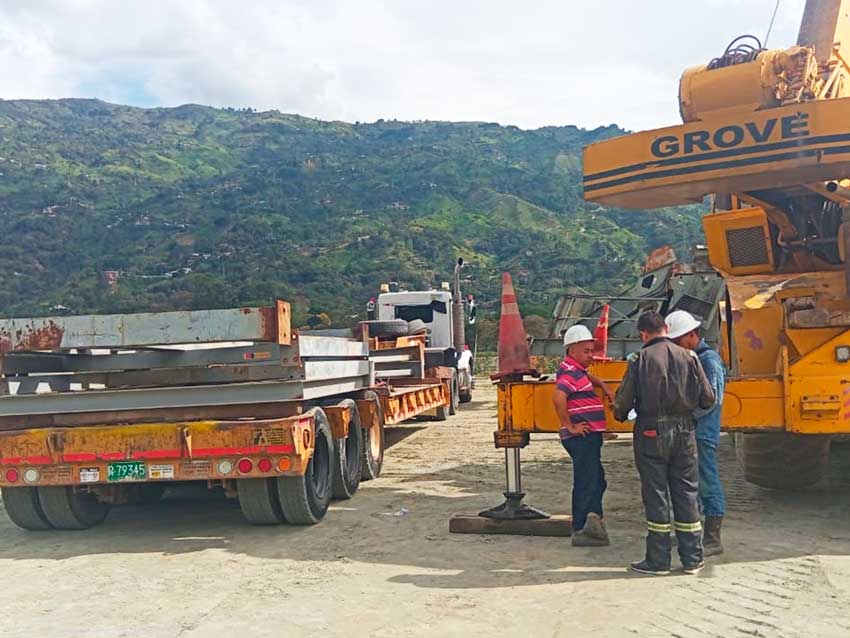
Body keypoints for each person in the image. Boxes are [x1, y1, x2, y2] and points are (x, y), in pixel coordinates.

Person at [613, 311, 715, 575]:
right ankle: (693, 559)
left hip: (651, 432)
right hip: (685, 432)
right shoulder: (690, 356)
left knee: (656, 494)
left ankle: (658, 561)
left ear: (643, 334)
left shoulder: (639, 359)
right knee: (687, 491)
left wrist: (620, 413)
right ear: (666, 329)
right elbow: (708, 399)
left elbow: (622, 404)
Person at [666, 310, 726, 556]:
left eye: (678, 339)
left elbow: (712, 399)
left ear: (692, 335)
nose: (675, 345)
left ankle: (713, 538)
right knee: (692, 484)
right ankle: (693, 532)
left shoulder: (709, 360)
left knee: (707, 481)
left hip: (703, 433)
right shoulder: (691, 357)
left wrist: (686, 416)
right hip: (691, 432)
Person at [552, 325, 615, 547]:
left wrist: (604, 386)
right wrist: (570, 426)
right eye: (586, 351)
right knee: (587, 481)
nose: (591, 355)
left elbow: (588, 377)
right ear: (572, 350)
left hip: (588, 437)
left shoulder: (576, 371)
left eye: (591, 351)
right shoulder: (570, 372)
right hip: (581, 437)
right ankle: (581, 527)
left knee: (596, 479)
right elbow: (558, 398)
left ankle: (592, 519)